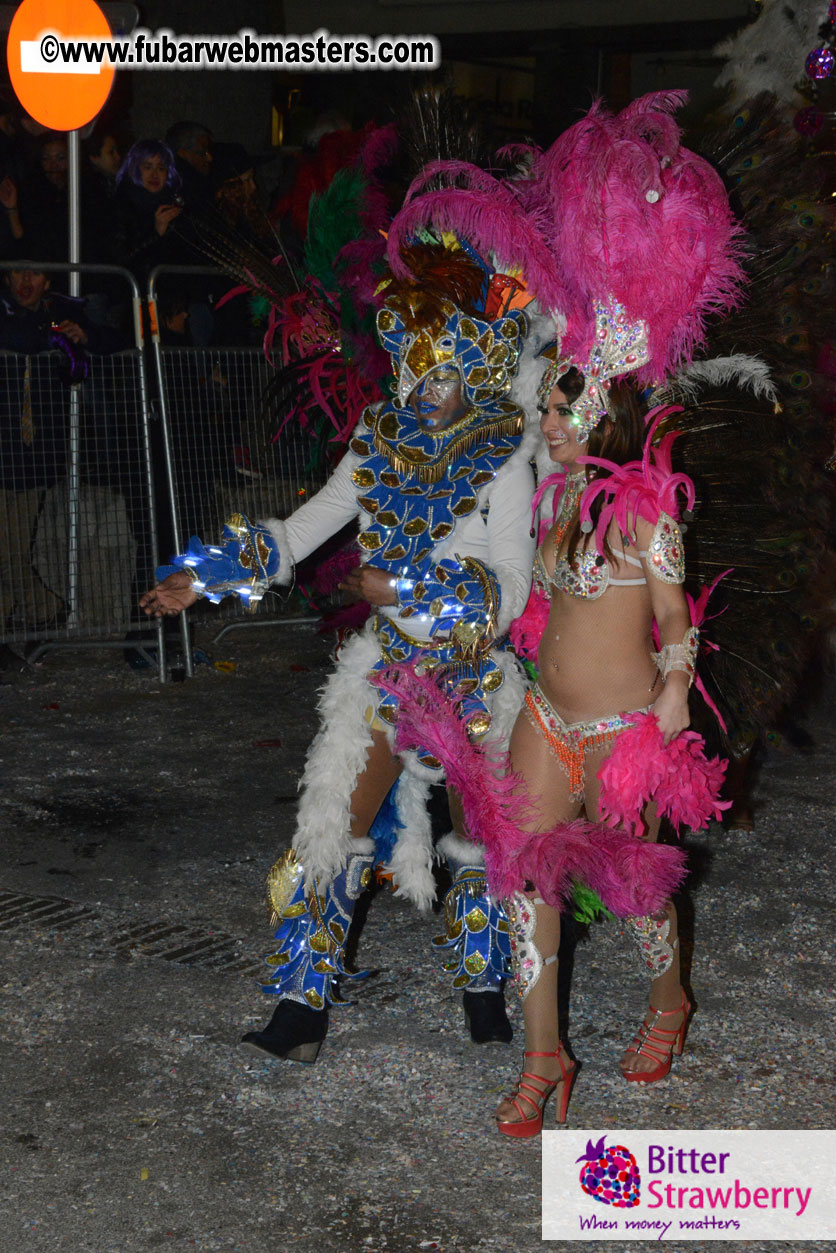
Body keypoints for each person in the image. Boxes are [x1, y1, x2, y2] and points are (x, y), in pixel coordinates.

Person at [140, 242, 537, 1060]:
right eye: (414, 372)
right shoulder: (377, 441)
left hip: (470, 676)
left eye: (443, 372)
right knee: (331, 825)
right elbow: (299, 530)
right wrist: (204, 574)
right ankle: (302, 1008)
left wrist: (411, 589)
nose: (427, 391)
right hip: (388, 668)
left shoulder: (505, 454)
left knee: (484, 841)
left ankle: (483, 989)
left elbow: (513, 585)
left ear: (473, 359)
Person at [494, 360, 696, 1136]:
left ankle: (669, 1001)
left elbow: (674, 614)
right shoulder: (559, 497)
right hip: (547, 718)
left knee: (638, 889)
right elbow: (550, 609)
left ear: (604, 416)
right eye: (545, 408)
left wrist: (675, 684)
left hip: (623, 732)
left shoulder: (649, 510)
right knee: (524, 879)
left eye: (561, 412)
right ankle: (544, 1057)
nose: (546, 423)